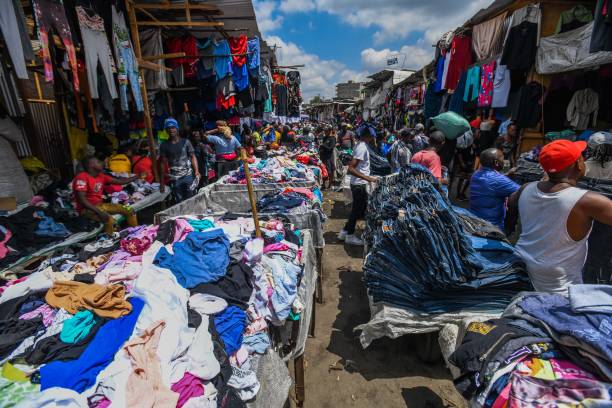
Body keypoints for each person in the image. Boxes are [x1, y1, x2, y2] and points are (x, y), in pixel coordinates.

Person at [507, 140, 612, 293]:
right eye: (582, 157)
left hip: (521, 264)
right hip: (557, 286)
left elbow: (511, 201)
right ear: (578, 164)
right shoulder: (587, 201)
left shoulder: (526, 188)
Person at [73, 156, 141, 234]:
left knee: (129, 210)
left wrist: (137, 176)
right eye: (98, 162)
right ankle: (113, 238)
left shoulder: (101, 176)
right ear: (91, 165)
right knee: (109, 219)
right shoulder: (82, 177)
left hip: (101, 205)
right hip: (86, 210)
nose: (102, 163)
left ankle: (136, 233)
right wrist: (99, 212)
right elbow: (82, 200)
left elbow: (120, 181)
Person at [338, 124, 377, 246]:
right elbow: (351, 168)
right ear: (368, 136)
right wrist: (368, 178)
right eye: (372, 136)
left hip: (358, 183)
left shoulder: (361, 145)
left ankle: (344, 232)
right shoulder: (362, 147)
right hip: (359, 184)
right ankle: (350, 235)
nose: (373, 138)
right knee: (358, 210)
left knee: (357, 209)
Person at [469, 148, 520, 230]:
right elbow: (522, 191)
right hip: (491, 226)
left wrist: (506, 175)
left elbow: (492, 183)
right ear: (496, 162)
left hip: (474, 220)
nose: (504, 162)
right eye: (502, 159)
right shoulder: (498, 179)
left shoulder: (476, 174)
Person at [158, 118, 200, 203]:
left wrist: (196, 171)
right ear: (166, 130)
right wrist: (162, 182)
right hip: (175, 178)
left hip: (188, 175)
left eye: (173, 127)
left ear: (177, 129)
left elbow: (193, 156)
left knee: (191, 199)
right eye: (168, 128)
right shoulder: (164, 145)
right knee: (179, 201)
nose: (171, 130)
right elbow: (162, 163)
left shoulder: (186, 142)